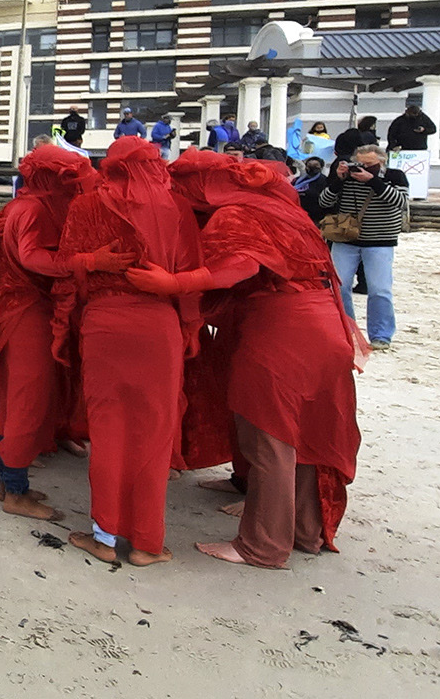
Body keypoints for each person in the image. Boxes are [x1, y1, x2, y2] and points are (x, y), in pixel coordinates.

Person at [135, 150, 361, 568]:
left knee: (269, 436)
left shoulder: (236, 214)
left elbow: (239, 265)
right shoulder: (281, 209)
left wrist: (174, 282)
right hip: (326, 322)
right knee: (307, 433)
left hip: (281, 328)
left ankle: (263, 545)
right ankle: (304, 531)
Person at [58, 136, 202, 567]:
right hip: (159, 326)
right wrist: (190, 328)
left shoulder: (86, 205)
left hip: (105, 325)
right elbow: (190, 275)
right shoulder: (175, 208)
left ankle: (103, 537)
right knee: (155, 434)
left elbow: (66, 267)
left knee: (108, 431)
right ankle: (146, 544)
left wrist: (92, 266)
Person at [0, 144, 104, 523]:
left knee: (20, 394)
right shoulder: (32, 208)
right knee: (26, 397)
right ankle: (14, 491)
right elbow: (32, 256)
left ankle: (10, 481)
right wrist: (86, 261)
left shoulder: (30, 205)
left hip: (23, 308)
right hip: (26, 312)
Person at [318, 144, 408, 348]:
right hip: (345, 239)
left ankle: (381, 335)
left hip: (380, 239)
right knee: (339, 286)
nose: (363, 168)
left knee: (379, 289)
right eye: (360, 164)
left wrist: (374, 181)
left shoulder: (395, 176)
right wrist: (338, 180)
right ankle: (346, 330)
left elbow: (401, 202)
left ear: (382, 162)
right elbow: (324, 201)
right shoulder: (346, 177)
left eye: (370, 164)